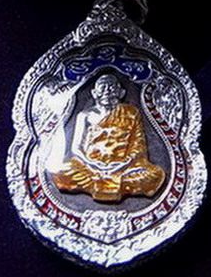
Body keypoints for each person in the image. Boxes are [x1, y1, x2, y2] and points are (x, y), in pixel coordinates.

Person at [51, 73, 165, 202]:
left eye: (111, 87)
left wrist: (124, 164)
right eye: (102, 87)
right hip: (90, 167)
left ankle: (101, 184)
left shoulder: (131, 113)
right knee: (60, 173)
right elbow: (76, 148)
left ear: (121, 93)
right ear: (94, 93)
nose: (107, 91)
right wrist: (91, 164)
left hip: (124, 167)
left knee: (155, 175)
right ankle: (115, 184)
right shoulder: (85, 115)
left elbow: (139, 146)